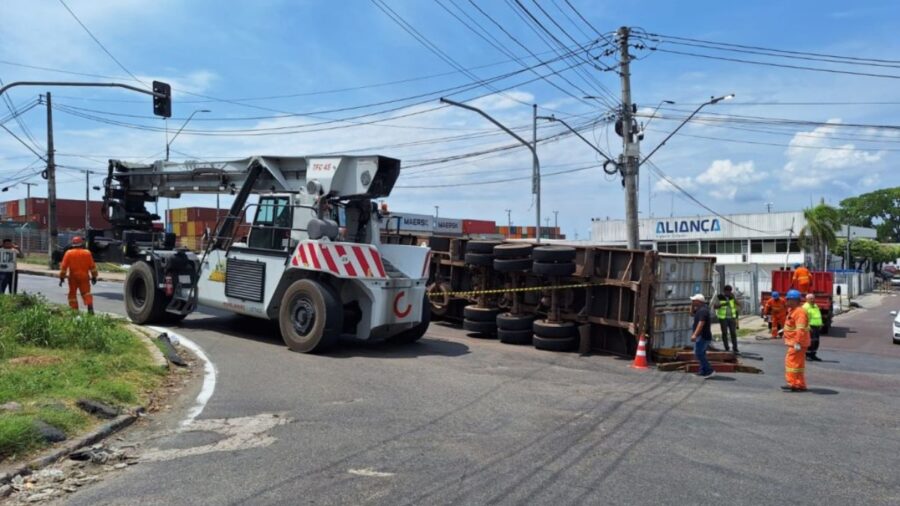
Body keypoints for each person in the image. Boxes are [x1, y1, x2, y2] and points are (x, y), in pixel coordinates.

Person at [58, 237, 98, 314]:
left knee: (72, 294)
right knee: (86, 293)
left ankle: (74, 311)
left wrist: (61, 277)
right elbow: (92, 267)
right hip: (84, 277)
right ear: (81, 244)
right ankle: (90, 309)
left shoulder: (68, 253)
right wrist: (94, 276)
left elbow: (64, 267)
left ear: (73, 244)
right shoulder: (87, 253)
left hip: (73, 277)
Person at [781, 289, 810, 392]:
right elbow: (792, 325)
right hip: (797, 342)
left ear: (794, 300)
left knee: (791, 362)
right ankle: (799, 384)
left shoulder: (799, 312)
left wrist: (797, 342)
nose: (786, 301)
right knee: (798, 364)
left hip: (797, 343)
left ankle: (791, 382)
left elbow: (800, 329)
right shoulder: (793, 310)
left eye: (788, 299)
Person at [690, 294, 715, 379]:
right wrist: (692, 305)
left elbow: (701, 324)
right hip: (702, 336)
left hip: (703, 336)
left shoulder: (703, 311)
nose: (692, 302)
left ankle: (709, 370)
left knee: (698, 353)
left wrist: (695, 335)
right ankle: (702, 371)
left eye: (694, 300)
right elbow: (691, 314)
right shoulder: (699, 310)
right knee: (701, 354)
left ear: (699, 301)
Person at [714, 285, 740, 354]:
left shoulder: (732, 297)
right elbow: (715, 306)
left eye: (730, 291)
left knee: (733, 333)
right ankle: (727, 347)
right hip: (723, 318)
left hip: (731, 318)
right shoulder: (719, 297)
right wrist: (722, 304)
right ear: (724, 291)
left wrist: (734, 298)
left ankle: (735, 348)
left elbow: (738, 304)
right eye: (727, 291)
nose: (728, 292)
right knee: (724, 333)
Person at [803, 293, 823, 362]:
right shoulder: (805, 307)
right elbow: (804, 318)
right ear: (807, 299)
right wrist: (807, 326)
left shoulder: (815, 305)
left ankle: (813, 354)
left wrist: (820, 323)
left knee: (816, 341)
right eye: (811, 298)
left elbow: (818, 315)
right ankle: (808, 355)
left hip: (816, 326)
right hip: (810, 326)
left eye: (813, 298)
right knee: (810, 341)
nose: (813, 300)